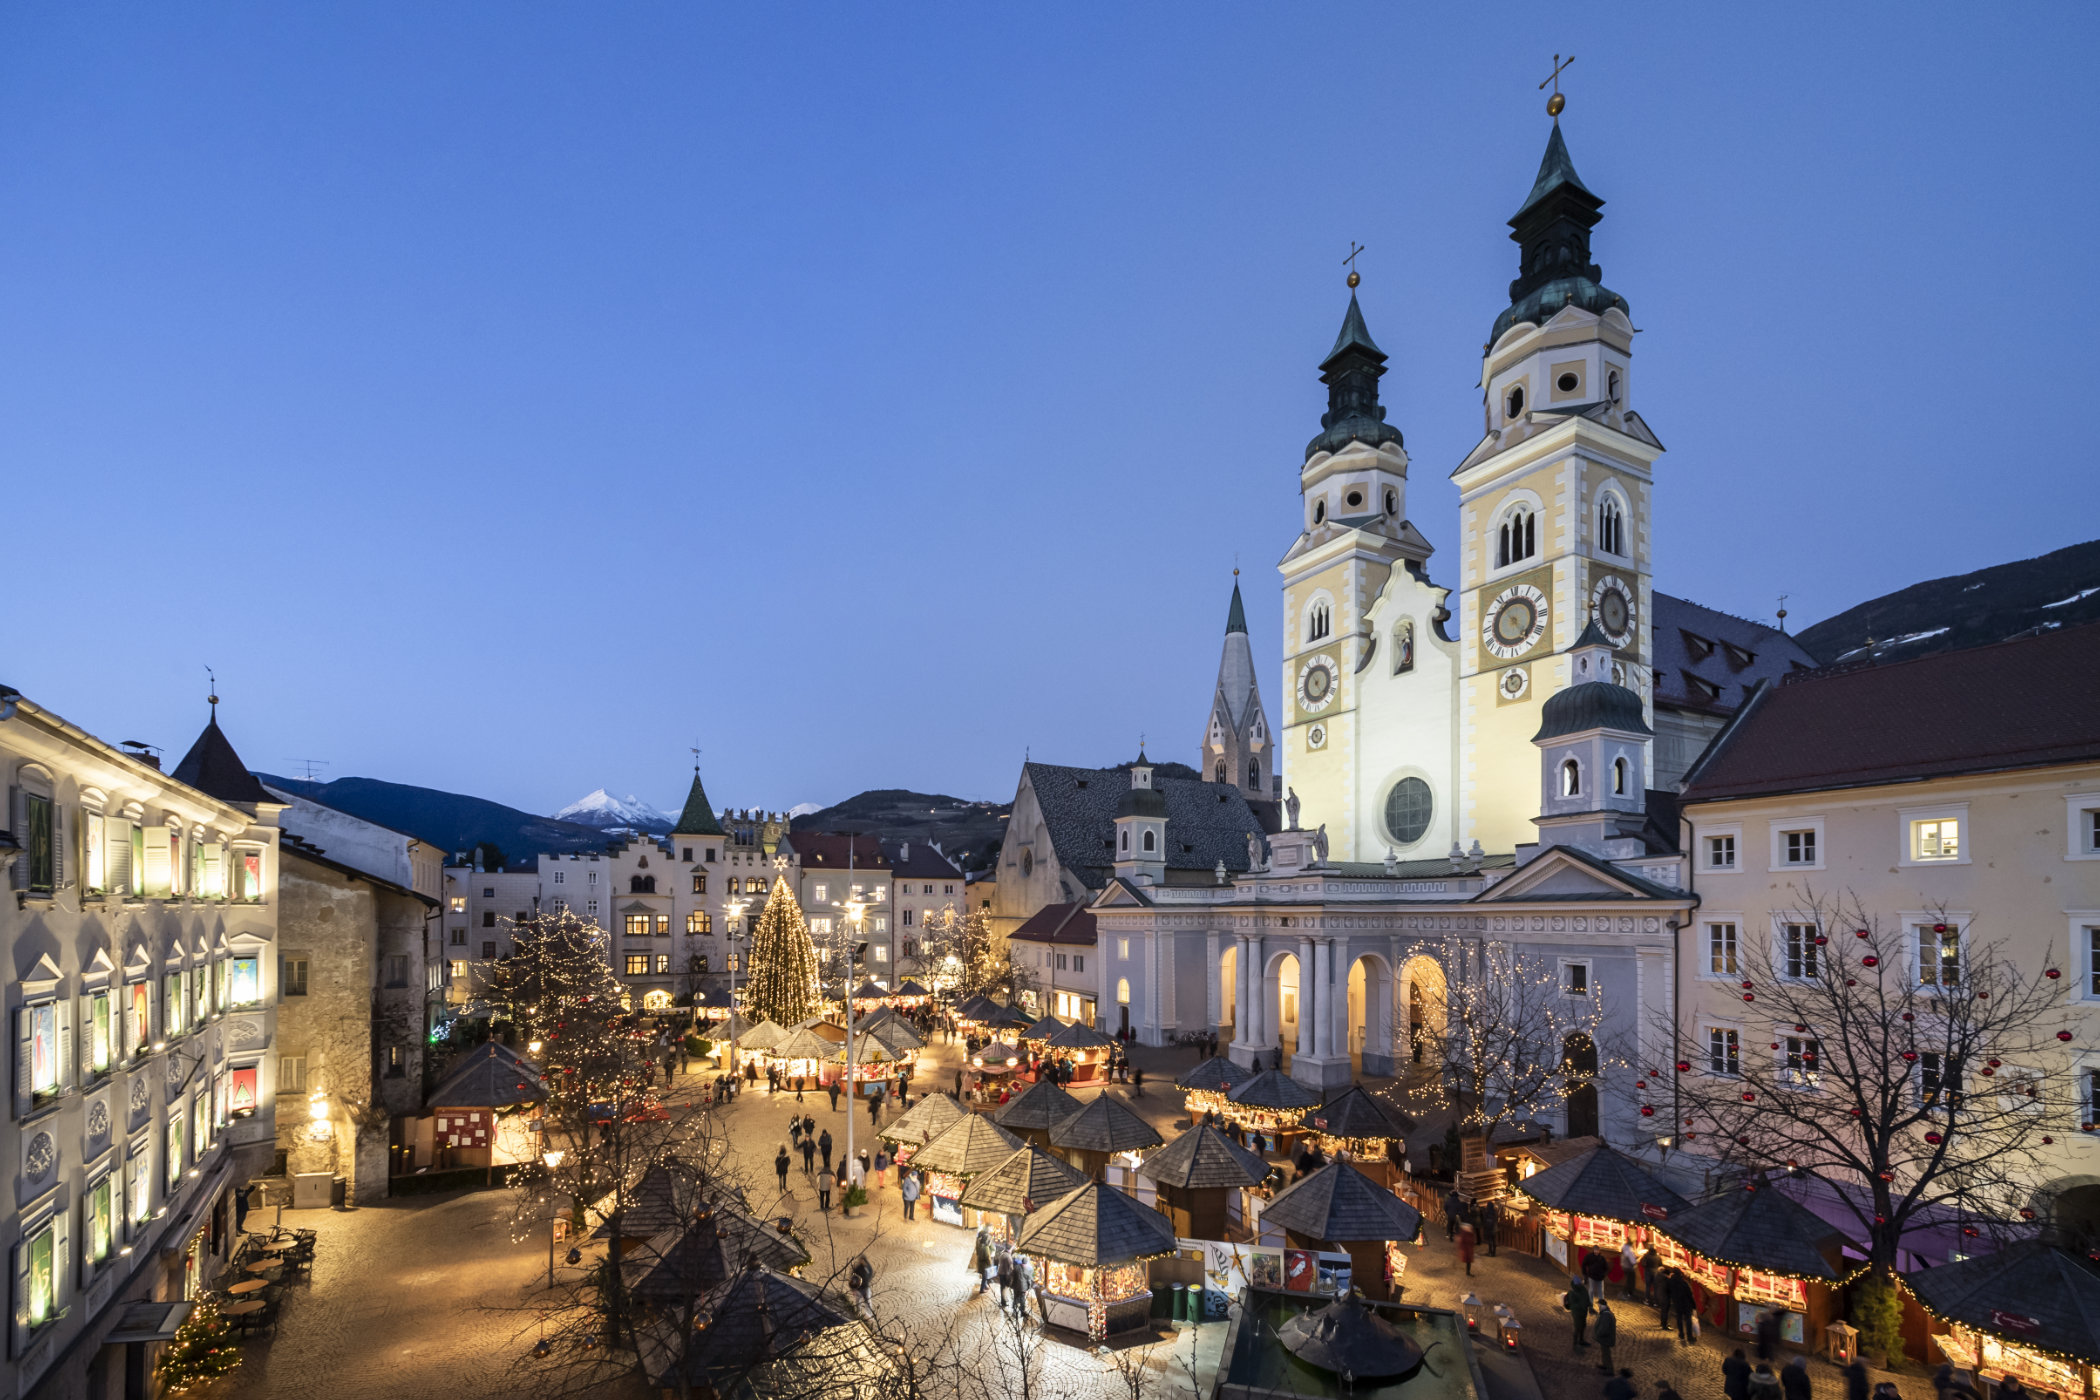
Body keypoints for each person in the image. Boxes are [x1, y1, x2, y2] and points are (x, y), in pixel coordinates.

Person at [1668, 1270, 1697, 1344]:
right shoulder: (1684, 1283)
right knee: (1688, 1320)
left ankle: (1681, 1334)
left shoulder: (1671, 1282)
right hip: (1686, 1304)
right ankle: (1689, 1336)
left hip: (1677, 1303)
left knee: (1679, 1318)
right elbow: (1689, 1295)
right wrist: (1693, 1305)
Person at [1564, 1278, 1592, 1349]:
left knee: (1583, 1326)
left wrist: (1589, 1305)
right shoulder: (1572, 1293)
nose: (1580, 1284)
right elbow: (1573, 1304)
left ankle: (1581, 1340)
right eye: (1579, 1283)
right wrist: (1583, 1305)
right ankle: (1575, 1343)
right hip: (1577, 1313)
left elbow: (1587, 1298)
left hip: (1583, 1312)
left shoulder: (1583, 1290)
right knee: (1577, 1327)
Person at [1593, 1301, 1618, 1374]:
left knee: (1606, 1354)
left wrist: (1598, 1334)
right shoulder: (1607, 1313)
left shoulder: (1606, 1315)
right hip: (1606, 1338)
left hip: (1606, 1338)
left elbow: (1604, 1328)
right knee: (1604, 1353)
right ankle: (1605, 1365)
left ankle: (1610, 1370)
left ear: (1603, 1305)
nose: (1598, 1307)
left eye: (1599, 1305)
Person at [970, 1226, 993, 1295]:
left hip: (981, 1265)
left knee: (984, 1276)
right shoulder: (985, 1248)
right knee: (984, 1277)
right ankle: (982, 1289)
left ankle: (985, 1286)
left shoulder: (980, 1245)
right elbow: (987, 1258)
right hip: (985, 1266)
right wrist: (990, 1264)